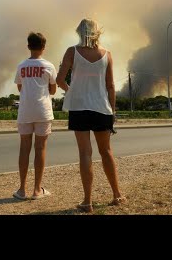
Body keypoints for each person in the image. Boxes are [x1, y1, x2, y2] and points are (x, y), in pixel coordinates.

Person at [56, 18, 126, 213]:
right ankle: (117, 194)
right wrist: (113, 111)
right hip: (102, 108)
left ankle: (87, 201)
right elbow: (111, 86)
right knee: (106, 152)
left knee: (85, 153)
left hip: (79, 107)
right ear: (98, 32)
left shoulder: (72, 51)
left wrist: (72, 90)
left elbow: (59, 79)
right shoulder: (107, 54)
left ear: (79, 32)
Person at [13, 32, 57, 200]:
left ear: (28, 46)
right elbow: (52, 90)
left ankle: (22, 190)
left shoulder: (21, 66)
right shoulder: (49, 66)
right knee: (40, 149)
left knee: (24, 148)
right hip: (43, 111)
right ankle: (37, 190)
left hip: (25, 110)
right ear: (43, 47)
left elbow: (19, 87)